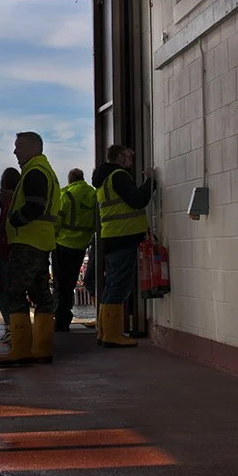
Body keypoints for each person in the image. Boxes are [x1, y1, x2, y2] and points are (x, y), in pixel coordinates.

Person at [0, 132, 60, 367]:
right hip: (42, 241)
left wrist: (15, 220)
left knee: (15, 292)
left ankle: (20, 349)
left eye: (18, 147)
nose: (15, 152)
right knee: (42, 293)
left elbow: (35, 206)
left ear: (33, 147)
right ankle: (42, 348)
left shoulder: (34, 172)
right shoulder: (45, 171)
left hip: (28, 242)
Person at [91, 144, 156, 347]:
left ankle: (104, 332)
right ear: (119, 157)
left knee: (111, 284)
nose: (131, 161)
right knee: (119, 285)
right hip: (124, 236)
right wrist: (150, 182)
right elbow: (137, 201)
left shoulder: (103, 179)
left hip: (112, 237)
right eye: (129, 156)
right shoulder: (119, 176)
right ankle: (112, 335)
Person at [53, 168, 96, 332]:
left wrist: (52, 239)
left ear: (70, 180)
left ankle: (61, 320)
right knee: (70, 283)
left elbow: (57, 220)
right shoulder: (93, 195)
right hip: (81, 246)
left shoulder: (67, 195)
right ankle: (65, 316)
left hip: (62, 244)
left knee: (60, 285)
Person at [0, 167, 21, 342]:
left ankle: (11, 326)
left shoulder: (6, 200)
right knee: (16, 290)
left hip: (6, 250)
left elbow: (4, 227)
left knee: (2, 290)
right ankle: (17, 327)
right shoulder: (20, 198)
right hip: (21, 248)